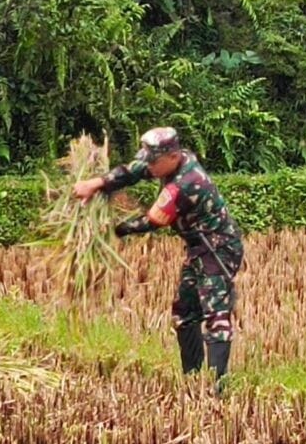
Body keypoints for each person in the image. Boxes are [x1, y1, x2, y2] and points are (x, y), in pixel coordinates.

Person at [73, 127, 243, 389]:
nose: (149, 166)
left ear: (172, 156)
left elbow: (153, 220)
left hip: (218, 250)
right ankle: (192, 378)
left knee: (216, 315)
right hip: (197, 248)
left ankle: (217, 388)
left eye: (154, 161)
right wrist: (94, 185)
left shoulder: (187, 183)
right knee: (184, 313)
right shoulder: (166, 164)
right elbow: (133, 171)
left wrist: (115, 229)